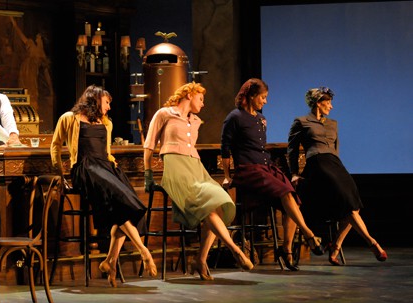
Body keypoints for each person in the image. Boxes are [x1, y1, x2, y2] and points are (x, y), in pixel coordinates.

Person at [143, 82, 254, 281]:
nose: (203, 104)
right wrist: (148, 174)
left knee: (218, 202)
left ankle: (200, 259)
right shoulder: (164, 114)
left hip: (196, 167)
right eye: (201, 99)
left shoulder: (195, 121)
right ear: (189, 95)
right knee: (209, 208)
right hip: (176, 168)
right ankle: (236, 250)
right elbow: (149, 146)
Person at [50, 85, 157, 287]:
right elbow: (55, 145)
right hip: (85, 168)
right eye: (106, 102)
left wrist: (114, 169)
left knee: (129, 205)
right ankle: (143, 251)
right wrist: (60, 173)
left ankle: (110, 262)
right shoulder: (69, 118)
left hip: (105, 167)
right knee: (119, 202)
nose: (108, 107)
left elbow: (106, 152)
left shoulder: (106, 123)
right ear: (95, 99)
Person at [221, 78, 325, 272]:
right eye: (263, 97)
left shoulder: (261, 119)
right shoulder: (235, 117)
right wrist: (227, 175)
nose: (265, 101)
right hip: (248, 170)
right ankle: (309, 234)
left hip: (266, 168)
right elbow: (225, 149)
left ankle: (286, 250)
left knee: (292, 196)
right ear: (251, 96)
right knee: (286, 192)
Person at [287, 86, 387, 265]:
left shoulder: (333, 123)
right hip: (316, 165)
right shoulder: (301, 122)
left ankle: (336, 246)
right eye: (328, 102)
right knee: (349, 204)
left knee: (353, 204)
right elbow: (292, 150)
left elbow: (335, 150)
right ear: (319, 103)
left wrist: (339, 168)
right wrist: (294, 173)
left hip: (334, 165)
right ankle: (371, 242)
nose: (331, 106)